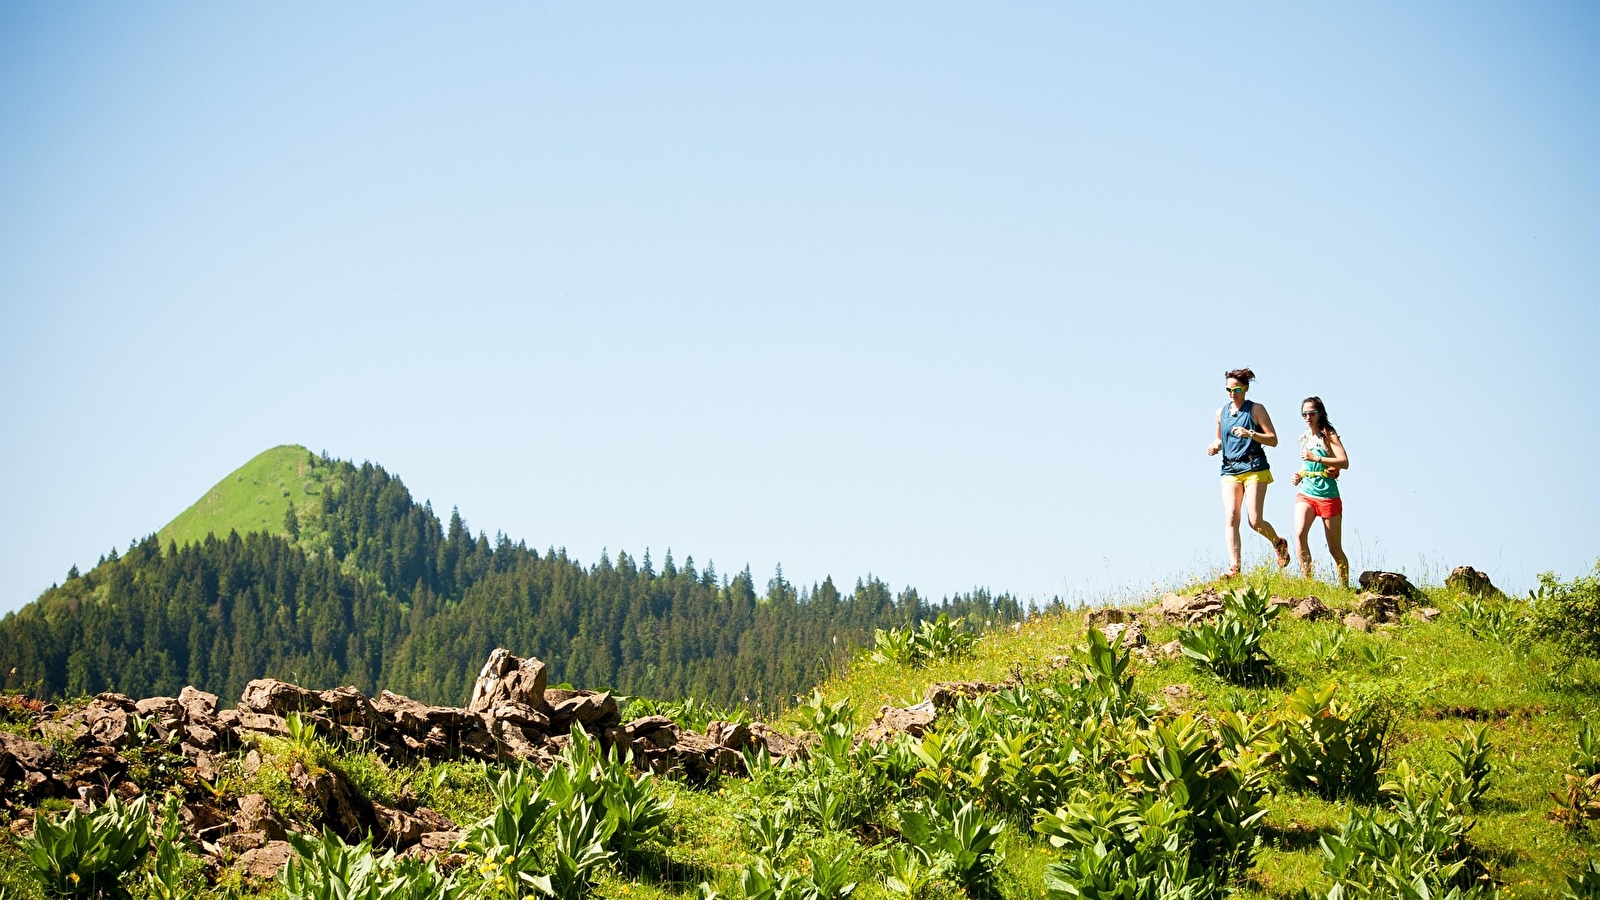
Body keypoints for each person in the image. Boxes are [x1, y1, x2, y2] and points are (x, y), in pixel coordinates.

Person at [1207, 367, 1290, 576]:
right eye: (1228, 390)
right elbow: (1219, 437)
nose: (1232, 394)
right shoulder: (1221, 412)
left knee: (1254, 520)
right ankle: (1235, 567)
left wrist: (1250, 433)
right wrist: (1215, 446)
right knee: (1232, 517)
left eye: (1237, 390)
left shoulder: (1256, 409)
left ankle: (1278, 543)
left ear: (1245, 389)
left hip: (1254, 468)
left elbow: (1273, 440)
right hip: (1230, 469)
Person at [1291, 396, 1350, 587]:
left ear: (1320, 413)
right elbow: (1306, 464)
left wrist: (1316, 458)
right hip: (1306, 491)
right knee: (1300, 533)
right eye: (1304, 414)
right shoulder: (1305, 436)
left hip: (1328, 495)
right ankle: (1307, 581)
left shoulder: (1328, 434)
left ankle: (1344, 586)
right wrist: (1300, 474)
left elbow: (1344, 462)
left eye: (1312, 413)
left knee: (1334, 548)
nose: (1308, 417)